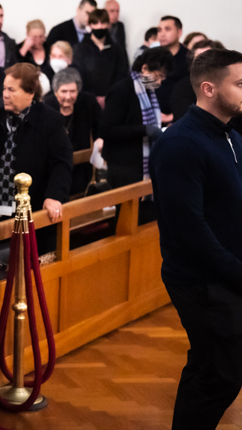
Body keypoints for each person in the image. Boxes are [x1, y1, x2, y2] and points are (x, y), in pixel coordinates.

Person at [148, 48, 242, 430]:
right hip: (200, 279)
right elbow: (190, 229)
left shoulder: (231, 135)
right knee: (220, 373)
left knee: (213, 367)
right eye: (239, 83)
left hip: (227, 272)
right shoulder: (180, 144)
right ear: (209, 88)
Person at [0, 63, 73, 227]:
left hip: (33, 205)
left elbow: (61, 163)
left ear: (30, 93)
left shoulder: (50, 120)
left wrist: (54, 195)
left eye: (11, 90)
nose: (5, 94)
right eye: (4, 89)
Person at [99, 47, 173, 207]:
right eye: (158, 76)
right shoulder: (122, 90)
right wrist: (144, 130)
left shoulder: (148, 92)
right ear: (145, 68)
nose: (159, 82)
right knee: (125, 216)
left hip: (142, 164)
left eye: (163, 77)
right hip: (123, 166)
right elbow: (106, 130)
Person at [43, 68, 101, 195]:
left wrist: (100, 138)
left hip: (82, 164)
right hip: (55, 165)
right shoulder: (47, 104)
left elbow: (101, 125)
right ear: (56, 91)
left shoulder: (88, 101)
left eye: (72, 91)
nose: (68, 97)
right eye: (64, 91)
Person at [72, 9, 128, 105]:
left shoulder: (116, 50)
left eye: (103, 23)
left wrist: (109, 96)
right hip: (86, 101)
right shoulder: (80, 49)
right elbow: (78, 74)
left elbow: (121, 74)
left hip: (112, 100)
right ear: (90, 25)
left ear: (108, 24)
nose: (99, 26)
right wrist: (91, 97)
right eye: (95, 23)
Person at [171, 40, 227, 122]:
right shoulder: (182, 87)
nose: (204, 64)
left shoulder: (229, 84)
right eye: (199, 59)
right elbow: (185, 117)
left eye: (208, 58)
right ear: (192, 63)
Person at [155, 15, 191, 120]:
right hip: (152, 116)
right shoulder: (152, 57)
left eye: (167, 29)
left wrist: (172, 117)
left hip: (180, 118)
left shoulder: (189, 58)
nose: (162, 34)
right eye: (159, 30)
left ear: (179, 32)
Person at [18, 19, 53, 93]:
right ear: (27, 36)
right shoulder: (19, 49)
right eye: (34, 37)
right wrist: (24, 49)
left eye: (41, 36)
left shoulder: (49, 48)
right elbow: (15, 68)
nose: (38, 40)